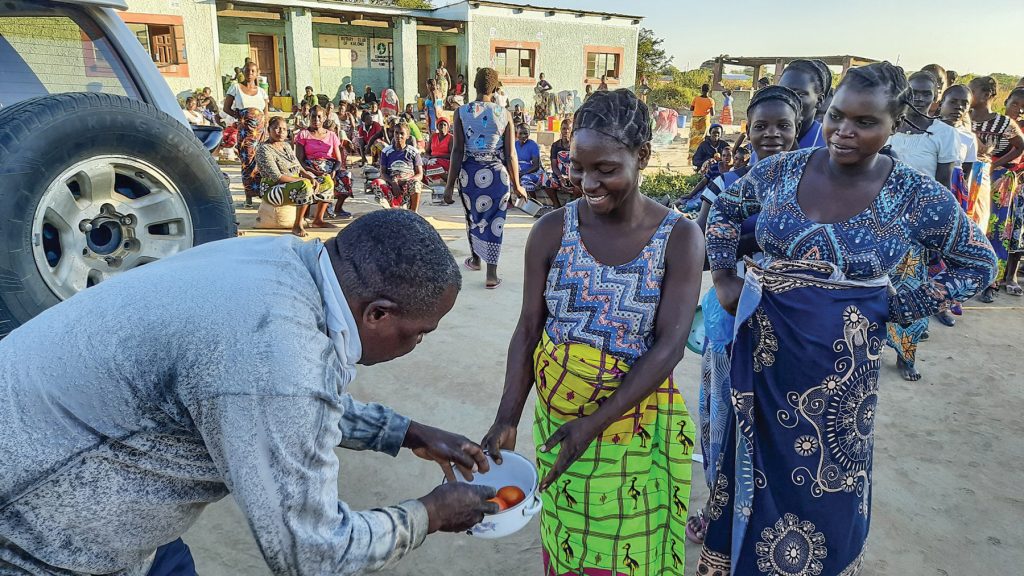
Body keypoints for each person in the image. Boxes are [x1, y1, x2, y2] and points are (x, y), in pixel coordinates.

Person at [0, 209, 504, 576]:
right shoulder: (275, 353)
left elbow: (265, 400)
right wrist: (431, 514)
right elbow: (313, 553)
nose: (416, 345)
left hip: (103, 505)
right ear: (378, 313)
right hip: (35, 538)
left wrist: (403, 431)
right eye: (419, 332)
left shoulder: (280, 259)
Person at [697, 62, 996, 575]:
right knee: (747, 466)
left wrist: (903, 304)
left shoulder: (915, 195)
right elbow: (724, 209)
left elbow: (980, 261)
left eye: (866, 122)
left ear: (895, 124)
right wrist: (725, 277)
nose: (844, 132)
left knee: (827, 484)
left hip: (839, 386)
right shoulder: (781, 170)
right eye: (837, 116)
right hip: (761, 364)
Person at [482, 88, 705, 575]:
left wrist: (594, 423)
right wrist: (507, 416)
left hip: (630, 425)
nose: (586, 182)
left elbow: (669, 348)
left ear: (642, 156)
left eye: (605, 169)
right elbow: (528, 329)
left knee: (624, 545)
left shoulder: (680, 238)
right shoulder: (552, 231)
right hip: (559, 423)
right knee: (566, 539)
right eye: (577, 167)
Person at [687, 85, 804, 547]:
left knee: (782, 424)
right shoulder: (725, 184)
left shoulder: (814, 186)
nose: (771, 134)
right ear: (747, 130)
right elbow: (694, 248)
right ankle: (718, 507)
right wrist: (729, 260)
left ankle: (769, 516)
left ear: (798, 132)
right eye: (761, 126)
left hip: (793, 325)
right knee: (724, 418)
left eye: (783, 126)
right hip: (731, 319)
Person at [884, 70, 961, 380]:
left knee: (912, 293)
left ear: (935, 97)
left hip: (917, 228)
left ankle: (907, 355)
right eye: (912, 92)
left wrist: (934, 233)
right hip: (881, 222)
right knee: (873, 290)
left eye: (925, 94)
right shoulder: (887, 127)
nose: (918, 98)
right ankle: (872, 348)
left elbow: (944, 185)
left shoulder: (944, 134)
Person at [443, 67, 526, 289]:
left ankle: (476, 260)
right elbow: (510, 154)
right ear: (496, 87)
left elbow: (457, 151)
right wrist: (518, 185)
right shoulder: (505, 114)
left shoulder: (461, 112)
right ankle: (491, 274)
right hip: (498, 176)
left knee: (474, 217)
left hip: (470, 175)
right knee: (494, 222)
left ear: (474, 86)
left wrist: (449, 187)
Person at [970, 76, 1024, 301]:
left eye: (971, 90)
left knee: (994, 230)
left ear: (985, 95)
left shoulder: (1003, 123)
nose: (967, 94)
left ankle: (989, 282)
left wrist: (995, 164)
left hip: (994, 181)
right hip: (964, 178)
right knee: (967, 228)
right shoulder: (964, 116)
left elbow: (1020, 146)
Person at [256, 117, 335, 237]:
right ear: (268, 130)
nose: (281, 132)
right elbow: (277, 177)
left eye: (284, 129)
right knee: (304, 185)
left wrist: (310, 176)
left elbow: (298, 167)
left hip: (292, 182)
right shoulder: (264, 149)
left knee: (327, 181)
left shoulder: (286, 146)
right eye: (277, 128)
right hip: (273, 188)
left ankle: (318, 220)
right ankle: (297, 225)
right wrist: (303, 180)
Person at [224, 61, 270, 209]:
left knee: (262, 162)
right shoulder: (236, 87)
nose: (250, 73)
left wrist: (267, 129)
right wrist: (241, 118)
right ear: (243, 71)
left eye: (253, 71)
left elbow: (266, 113)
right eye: (247, 70)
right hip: (246, 133)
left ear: (257, 73)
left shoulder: (262, 91)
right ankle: (249, 196)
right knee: (248, 162)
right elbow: (227, 108)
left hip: (261, 133)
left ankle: (263, 194)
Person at [295, 105, 354, 220]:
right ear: (309, 117)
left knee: (346, 176)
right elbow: (299, 160)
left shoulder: (331, 135)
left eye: (319, 117)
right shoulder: (303, 134)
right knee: (312, 181)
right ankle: (309, 213)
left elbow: (338, 159)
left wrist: (334, 171)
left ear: (324, 118)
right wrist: (313, 172)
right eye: (313, 116)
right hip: (310, 167)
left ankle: (338, 208)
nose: (316, 120)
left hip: (329, 166)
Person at [371, 121, 424, 212]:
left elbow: (420, 174)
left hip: (407, 183)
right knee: (377, 183)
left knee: (416, 183)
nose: (398, 136)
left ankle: (413, 213)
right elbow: (383, 173)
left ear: (407, 136)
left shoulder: (413, 152)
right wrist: (393, 182)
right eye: (396, 133)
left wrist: (405, 180)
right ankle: (389, 211)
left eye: (402, 133)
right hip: (391, 183)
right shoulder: (386, 151)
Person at [544, 118, 574, 207]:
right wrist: (561, 178)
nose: (566, 131)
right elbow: (554, 165)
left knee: (580, 187)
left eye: (569, 129)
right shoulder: (556, 145)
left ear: (572, 130)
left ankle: (573, 205)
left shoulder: (576, 145)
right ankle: (556, 205)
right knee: (546, 182)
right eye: (564, 128)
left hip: (573, 175)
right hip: (560, 175)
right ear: (560, 129)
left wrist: (570, 178)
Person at [515, 123, 546, 195]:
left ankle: (532, 203)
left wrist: (522, 173)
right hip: (519, 172)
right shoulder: (514, 145)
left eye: (525, 133)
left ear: (529, 133)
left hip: (532, 172)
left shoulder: (533, 145)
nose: (523, 136)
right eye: (520, 133)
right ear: (517, 133)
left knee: (526, 180)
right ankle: (510, 203)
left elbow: (536, 166)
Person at [423, 117, 453, 186]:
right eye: (440, 125)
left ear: (448, 127)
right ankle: (427, 181)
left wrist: (437, 156)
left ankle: (448, 179)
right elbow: (427, 151)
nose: (442, 126)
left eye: (444, 125)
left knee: (432, 163)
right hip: (433, 159)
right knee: (421, 162)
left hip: (445, 161)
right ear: (437, 127)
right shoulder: (433, 136)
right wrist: (428, 157)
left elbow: (452, 155)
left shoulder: (451, 138)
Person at [689, 83, 716, 157]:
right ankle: (699, 154)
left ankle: (691, 155)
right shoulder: (711, 101)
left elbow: (691, 108)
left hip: (695, 120)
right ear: (709, 90)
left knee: (693, 138)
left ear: (701, 90)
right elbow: (713, 113)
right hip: (704, 121)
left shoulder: (696, 98)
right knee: (702, 138)